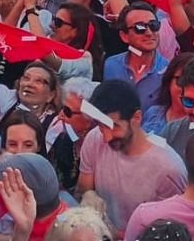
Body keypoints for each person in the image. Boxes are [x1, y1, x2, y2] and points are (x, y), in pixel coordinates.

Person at [75, 80, 186, 228]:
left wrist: (114, 234)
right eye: (101, 126)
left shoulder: (169, 168)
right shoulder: (95, 138)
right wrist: (87, 197)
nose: (107, 137)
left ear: (136, 118)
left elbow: (165, 233)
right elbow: (82, 191)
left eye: (115, 126)